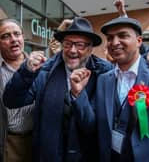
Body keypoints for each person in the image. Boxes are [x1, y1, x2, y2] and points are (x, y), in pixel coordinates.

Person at [3, 16, 113, 162]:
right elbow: (12, 101)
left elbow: (92, 126)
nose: (72, 50)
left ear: (90, 48)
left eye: (79, 45)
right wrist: (26, 72)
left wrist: (78, 95)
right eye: (67, 44)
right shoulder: (45, 70)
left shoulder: (103, 74)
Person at [70, 17, 149, 162]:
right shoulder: (103, 80)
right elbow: (91, 124)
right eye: (110, 38)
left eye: (123, 36)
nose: (115, 42)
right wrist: (78, 94)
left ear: (139, 41)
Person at [0, 18, 34, 162]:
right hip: (7, 142)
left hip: (37, 140)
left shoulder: (39, 66)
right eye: (6, 36)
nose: (13, 39)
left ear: (22, 37)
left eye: (17, 34)